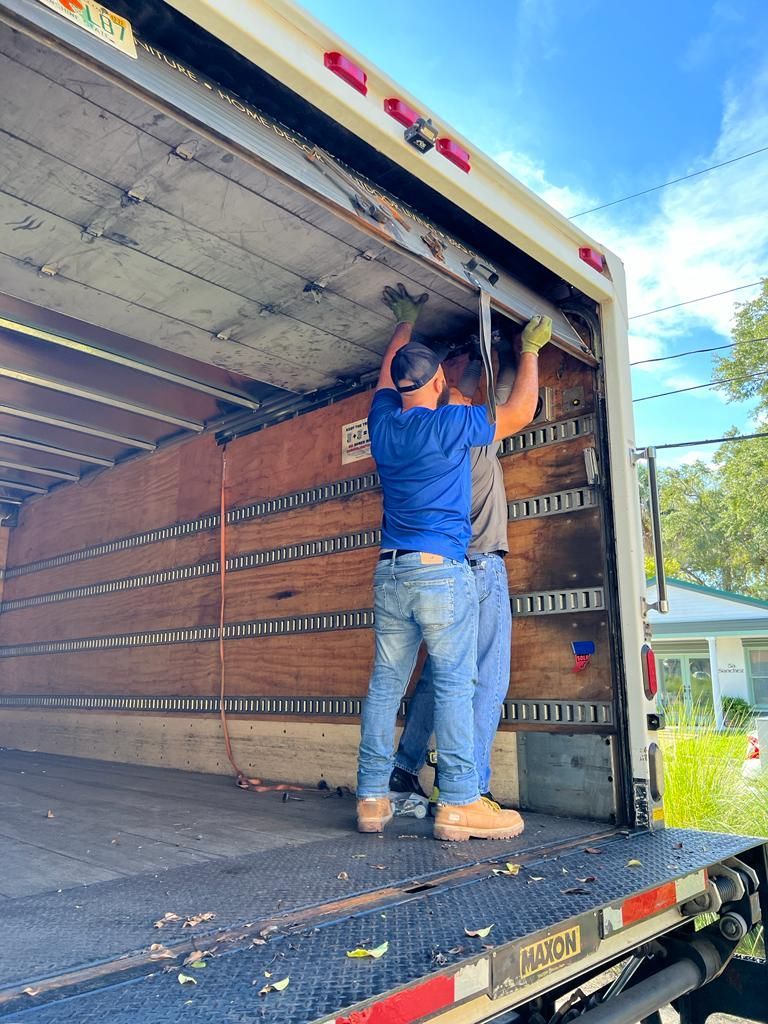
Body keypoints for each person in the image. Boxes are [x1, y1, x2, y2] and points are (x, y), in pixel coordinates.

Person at [356, 282, 551, 841]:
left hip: (389, 572)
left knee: (384, 688)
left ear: (399, 386)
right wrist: (531, 350)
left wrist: (403, 326)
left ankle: (373, 800)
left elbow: (384, 378)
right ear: (440, 383)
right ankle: (462, 802)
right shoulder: (450, 426)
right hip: (442, 570)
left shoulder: (383, 424)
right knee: (457, 683)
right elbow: (517, 411)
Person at [390, 334, 519, 809]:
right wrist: (513, 351)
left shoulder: (427, 446)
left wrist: (467, 361)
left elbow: (463, 392)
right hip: (480, 567)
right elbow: (502, 395)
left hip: (443, 571)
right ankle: (467, 786)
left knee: (438, 676)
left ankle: (403, 768)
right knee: (487, 675)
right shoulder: (470, 436)